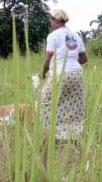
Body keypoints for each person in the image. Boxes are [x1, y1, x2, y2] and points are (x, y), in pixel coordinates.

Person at [41, 8, 87, 141]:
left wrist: (43, 74)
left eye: (51, 20)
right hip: (77, 74)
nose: (51, 23)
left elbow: (48, 60)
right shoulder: (76, 36)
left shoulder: (53, 35)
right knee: (74, 106)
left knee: (45, 102)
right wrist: (72, 65)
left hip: (59, 73)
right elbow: (84, 58)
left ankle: (51, 136)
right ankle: (73, 137)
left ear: (55, 20)